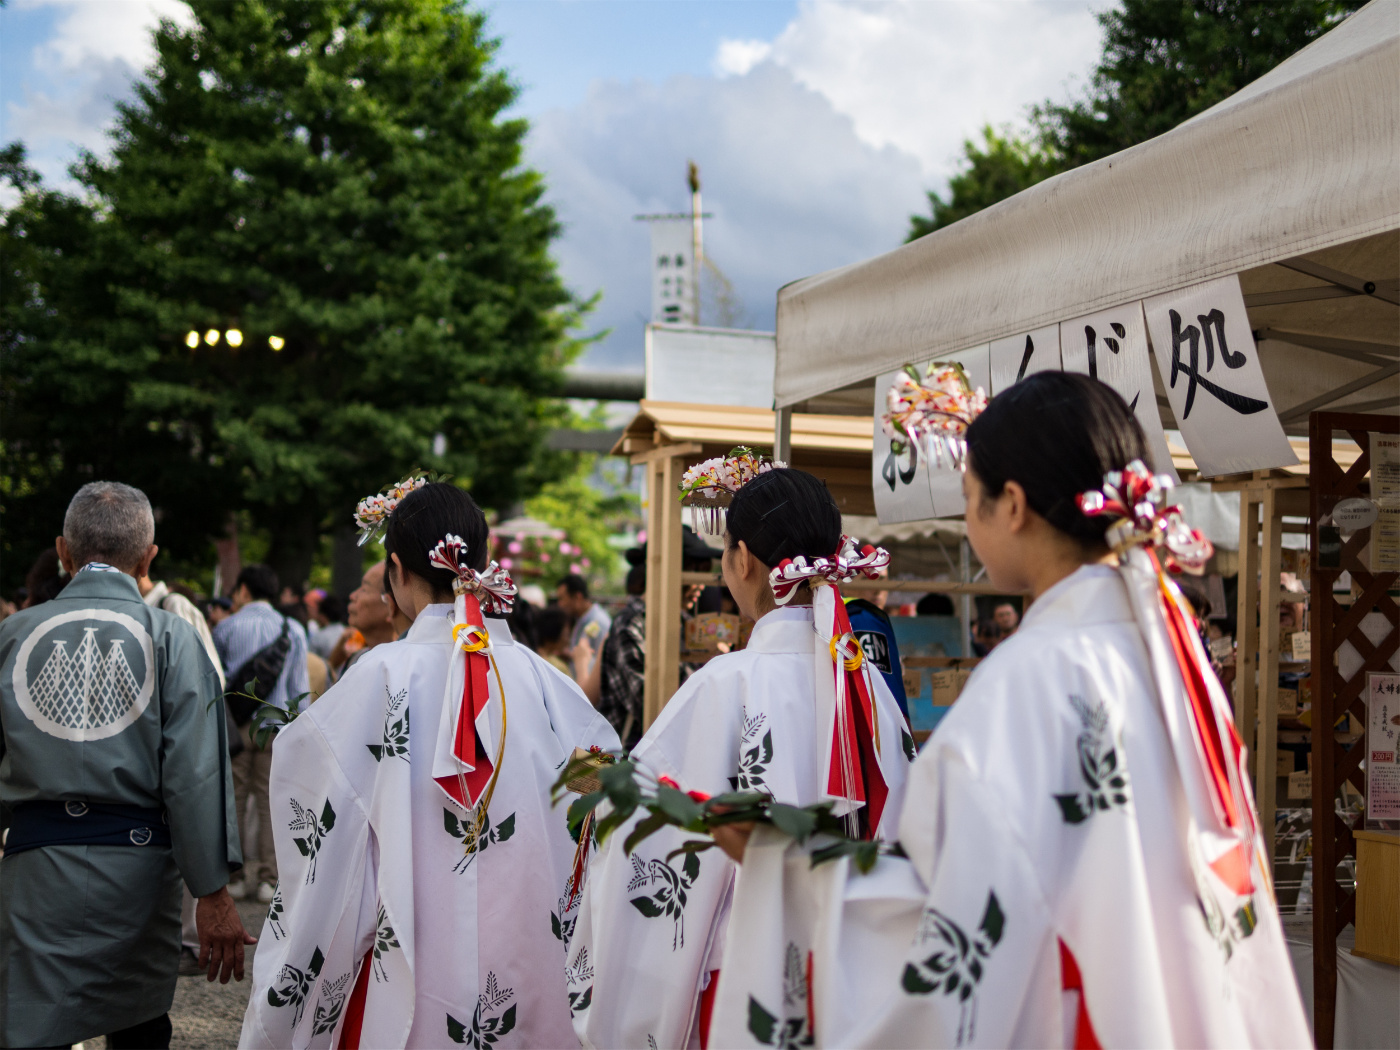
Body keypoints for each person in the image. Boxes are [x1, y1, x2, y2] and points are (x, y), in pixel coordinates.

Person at [705, 373, 1308, 1049]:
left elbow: (945, 910)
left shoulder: (1028, 679)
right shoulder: (1169, 651)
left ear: (1012, 505)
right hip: (1186, 998)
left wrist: (791, 862)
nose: (969, 519)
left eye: (971, 499)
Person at [239, 480, 619, 1048]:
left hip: (404, 955)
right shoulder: (546, 684)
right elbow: (601, 791)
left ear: (395, 569)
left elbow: (312, 793)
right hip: (528, 960)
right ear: (482, 563)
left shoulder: (378, 677)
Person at [568, 465, 914, 1050]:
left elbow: (649, 820)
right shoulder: (867, 686)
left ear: (743, 559)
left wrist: (587, 781)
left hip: (748, 972)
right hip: (857, 968)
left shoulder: (729, 682)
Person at [0, 482, 252, 1049]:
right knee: (137, 1029)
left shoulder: (11, 636)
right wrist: (212, 893)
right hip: (136, 873)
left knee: (28, 1027)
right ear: (147, 559)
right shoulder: (173, 638)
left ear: (62, 551)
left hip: (34, 870)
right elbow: (193, 775)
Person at [137, 565, 229, 976]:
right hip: (149, 753)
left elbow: (208, 678)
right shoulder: (132, 612)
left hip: (175, 741)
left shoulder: (175, 607)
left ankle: (190, 943)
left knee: (188, 829)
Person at [215, 563, 310, 904]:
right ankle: (271, 879)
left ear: (242, 590)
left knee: (234, 801)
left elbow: (220, 680)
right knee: (274, 804)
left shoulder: (226, 628)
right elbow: (300, 687)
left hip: (238, 728)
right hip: (277, 728)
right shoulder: (294, 630)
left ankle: (236, 877)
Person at [329, 561, 399, 677]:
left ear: (390, 605)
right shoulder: (358, 658)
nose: (353, 596)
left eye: (364, 589)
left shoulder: (402, 667)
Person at [557, 573, 612, 655]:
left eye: (562, 598)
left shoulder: (598, 622)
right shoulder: (581, 618)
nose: (560, 604)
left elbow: (599, 660)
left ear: (577, 597)